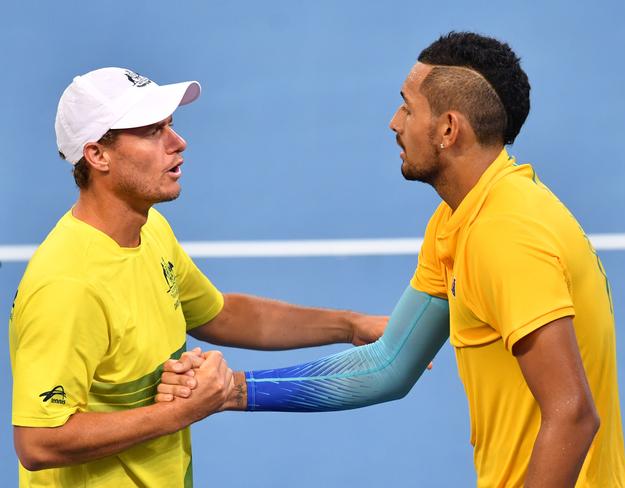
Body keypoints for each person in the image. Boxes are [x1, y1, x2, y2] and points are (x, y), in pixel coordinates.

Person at [160, 32, 625, 486]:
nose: (394, 121)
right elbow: (389, 364)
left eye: (408, 107)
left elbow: (572, 414)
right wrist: (232, 389)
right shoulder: (459, 219)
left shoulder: (505, 233)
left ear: (449, 129)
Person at [8, 67, 387, 487]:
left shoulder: (148, 229)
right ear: (98, 155)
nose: (178, 142)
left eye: (170, 125)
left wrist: (351, 325)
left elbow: (218, 315)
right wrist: (178, 413)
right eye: (152, 131)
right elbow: (39, 441)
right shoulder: (68, 286)